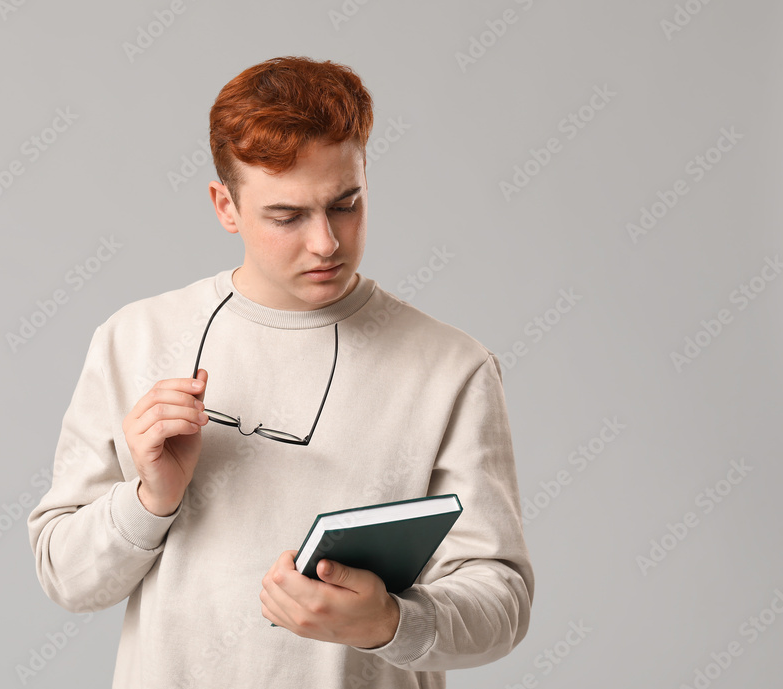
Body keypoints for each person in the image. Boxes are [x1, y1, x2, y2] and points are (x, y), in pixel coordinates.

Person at [27, 55, 533, 689]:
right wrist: (149, 499)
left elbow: (502, 602)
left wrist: (389, 622)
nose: (326, 242)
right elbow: (66, 579)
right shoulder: (136, 339)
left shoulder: (453, 368)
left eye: (345, 204)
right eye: (287, 217)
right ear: (225, 206)